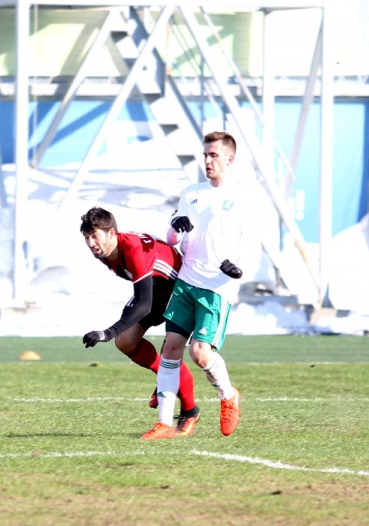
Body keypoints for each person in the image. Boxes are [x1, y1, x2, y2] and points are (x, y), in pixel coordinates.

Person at [146, 131, 253, 440]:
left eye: (213, 155)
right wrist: (175, 227)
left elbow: (252, 243)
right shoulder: (192, 193)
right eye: (205, 155)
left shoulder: (243, 197)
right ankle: (164, 423)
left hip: (217, 286)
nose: (207, 160)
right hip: (187, 280)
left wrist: (238, 268)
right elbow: (172, 237)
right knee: (170, 348)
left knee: (200, 354)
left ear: (230, 159)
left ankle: (228, 396)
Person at [80, 207, 201, 435]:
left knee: (170, 354)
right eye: (87, 237)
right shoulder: (106, 252)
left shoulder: (133, 249)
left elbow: (143, 303)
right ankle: (165, 378)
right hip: (156, 289)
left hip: (181, 291)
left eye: (95, 236)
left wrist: (107, 333)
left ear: (112, 233)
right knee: (125, 341)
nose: (90, 243)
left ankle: (189, 410)